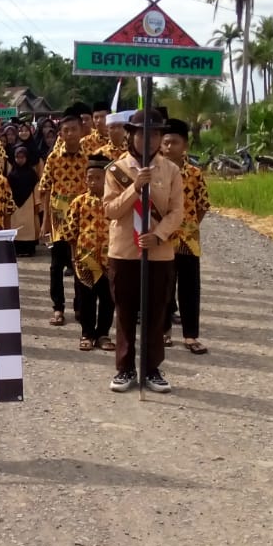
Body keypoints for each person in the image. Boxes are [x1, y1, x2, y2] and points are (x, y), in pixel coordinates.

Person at [102, 109, 184, 394]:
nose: (149, 140)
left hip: (159, 253)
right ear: (131, 136)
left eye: (155, 135)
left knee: (155, 312)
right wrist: (135, 188)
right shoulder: (115, 170)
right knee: (124, 312)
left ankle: (152, 368)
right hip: (124, 251)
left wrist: (158, 235)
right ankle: (125, 368)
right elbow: (110, 210)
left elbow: (177, 212)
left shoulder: (172, 171)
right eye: (142, 134)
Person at [162, 119, 210, 356]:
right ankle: (164, 331)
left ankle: (191, 335)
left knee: (190, 287)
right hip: (162, 237)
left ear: (185, 145)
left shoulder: (194, 174)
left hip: (188, 239)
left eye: (175, 142)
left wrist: (190, 226)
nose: (169, 147)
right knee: (163, 286)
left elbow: (203, 204)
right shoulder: (155, 171)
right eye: (166, 142)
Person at [38, 112, 89, 327]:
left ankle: (80, 306)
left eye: (73, 129)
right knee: (56, 266)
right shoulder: (54, 158)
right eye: (65, 130)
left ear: (81, 131)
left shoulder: (90, 158)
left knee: (79, 263)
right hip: (58, 219)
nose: (69, 134)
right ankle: (58, 308)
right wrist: (45, 222)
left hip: (82, 219)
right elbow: (45, 189)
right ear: (61, 133)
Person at [60, 154, 115, 352]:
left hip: (109, 260)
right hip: (85, 259)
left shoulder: (114, 202)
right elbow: (71, 233)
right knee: (86, 299)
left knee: (108, 299)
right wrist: (75, 256)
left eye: (97, 178)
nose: (92, 182)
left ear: (106, 178)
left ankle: (103, 334)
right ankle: (87, 333)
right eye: (89, 178)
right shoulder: (79, 202)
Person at [7, 144, 40, 257]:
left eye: (22, 157)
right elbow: (7, 190)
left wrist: (37, 203)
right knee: (16, 227)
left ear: (26, 158)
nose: (20, 160)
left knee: (28, 227)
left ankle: (29, 249)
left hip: (28, 204)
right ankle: (17, 249)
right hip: (15, 206)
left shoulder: (32, 173)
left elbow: (36, 188)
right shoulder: (11, 175)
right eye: (17, 157)